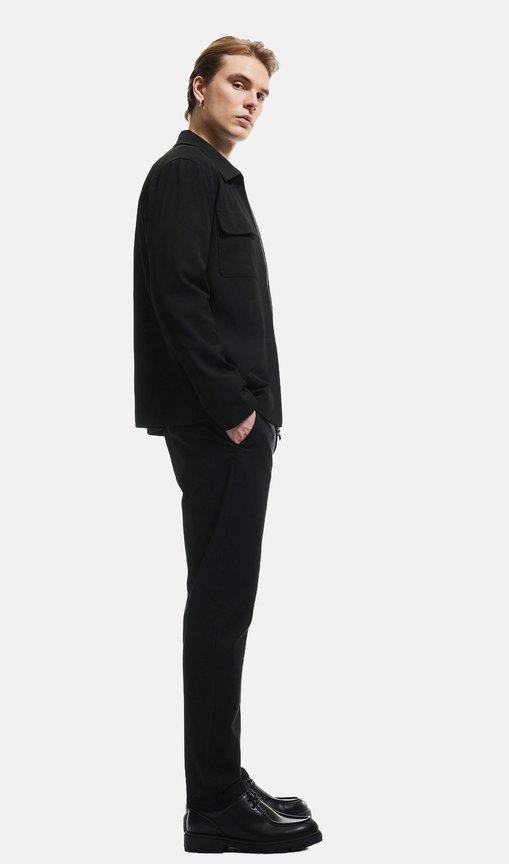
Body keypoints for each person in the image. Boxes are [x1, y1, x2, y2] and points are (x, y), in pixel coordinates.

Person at [132, 36, 323, 853]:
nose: (251, 102)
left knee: (226, 607)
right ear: (198, 86)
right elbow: (176, 296)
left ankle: (222, 779)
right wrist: (236, 411)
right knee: (218, 609)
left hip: (235, 426)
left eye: (262, 93)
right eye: (238, 84)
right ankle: (212, 806)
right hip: (221, 429)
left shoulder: (213, 176)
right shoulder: (185, 174)